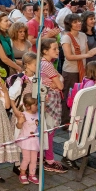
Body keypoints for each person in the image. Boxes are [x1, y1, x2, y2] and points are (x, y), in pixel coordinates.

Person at [38, 38, 68, 173]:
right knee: (49, 130)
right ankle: (49, 160)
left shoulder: (44, 63)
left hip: (48, 98)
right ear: (45, 51)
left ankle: (41, 157)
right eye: (54, 48)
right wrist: (56, 84)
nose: (57, 51)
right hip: (50, 100)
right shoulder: (47, 65)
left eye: (58, 48)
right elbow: (61, 85)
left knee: (45, 130)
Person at [16, 94, 40, 185]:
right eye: (35, 105)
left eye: (37, 104)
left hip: (35, 140)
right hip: (26, 141)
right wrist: (20, 122)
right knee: (26, 158)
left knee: (34, 159)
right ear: (27, 106)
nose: (37, 107)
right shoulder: (24, 115)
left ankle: (32, 174)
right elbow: (18, 126)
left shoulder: (38, 114)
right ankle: (22, 174)